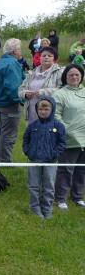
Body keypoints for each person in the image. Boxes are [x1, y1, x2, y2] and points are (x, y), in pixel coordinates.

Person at [22, 96, 66, 219]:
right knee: (34, 185)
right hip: (34, 160)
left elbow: (62, 143)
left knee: (49, 186)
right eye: (41, 109)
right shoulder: (32, 126)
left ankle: (47, 209)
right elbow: (25, 140)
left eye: (46, 109)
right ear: (37, 110)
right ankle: (34, 208)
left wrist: (54, 154)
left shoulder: (59, 126)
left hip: (51, 161)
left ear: (52, 109)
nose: (43, 111)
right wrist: (28, 152)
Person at [53, 63, 85, 210]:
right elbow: (55, 115)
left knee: (81, 170)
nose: (74, 77)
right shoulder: (60, 94)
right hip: (69, 138)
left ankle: (77, 197)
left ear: (81, 77)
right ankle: (60, 198)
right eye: (71, 74)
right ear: (65, 77)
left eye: (77, 74)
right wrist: (67, 130)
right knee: (66, 170)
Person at [0, 38, 25, 162]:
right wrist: (21, 99)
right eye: (19, 49)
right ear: (14, 51)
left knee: (1, 132)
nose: (20, 52)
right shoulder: (12, 63)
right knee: (9, 134)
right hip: (10, 103)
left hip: (0, 101)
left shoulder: (0, 62)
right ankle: (5, 161)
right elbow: (13, 87)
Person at [18, 46, 63, 124]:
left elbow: (63, 90)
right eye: (43, 55)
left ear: (54, 59)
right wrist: (25, 94)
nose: (46, 57)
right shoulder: (32, 73)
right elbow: (21, 89)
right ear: (40, 58)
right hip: (31, 112)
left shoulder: (59, 72)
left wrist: (44, 92)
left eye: (49, 56)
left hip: (50, 114)